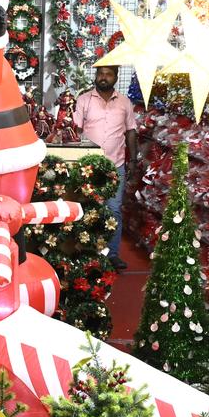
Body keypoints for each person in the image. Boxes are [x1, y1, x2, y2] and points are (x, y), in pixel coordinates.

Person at [73, 64, 137, 271]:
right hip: (87, 166)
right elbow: (74, 131)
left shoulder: (125, 103)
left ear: (116, 77)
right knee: (84, 208)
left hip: (115, 165)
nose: (103, 77)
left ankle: (112, 254)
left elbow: (131, 132)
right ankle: (82, 251)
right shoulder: (84, 100)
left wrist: (133, 159)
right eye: (100, 73)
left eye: (108, 74)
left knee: (114, 210)